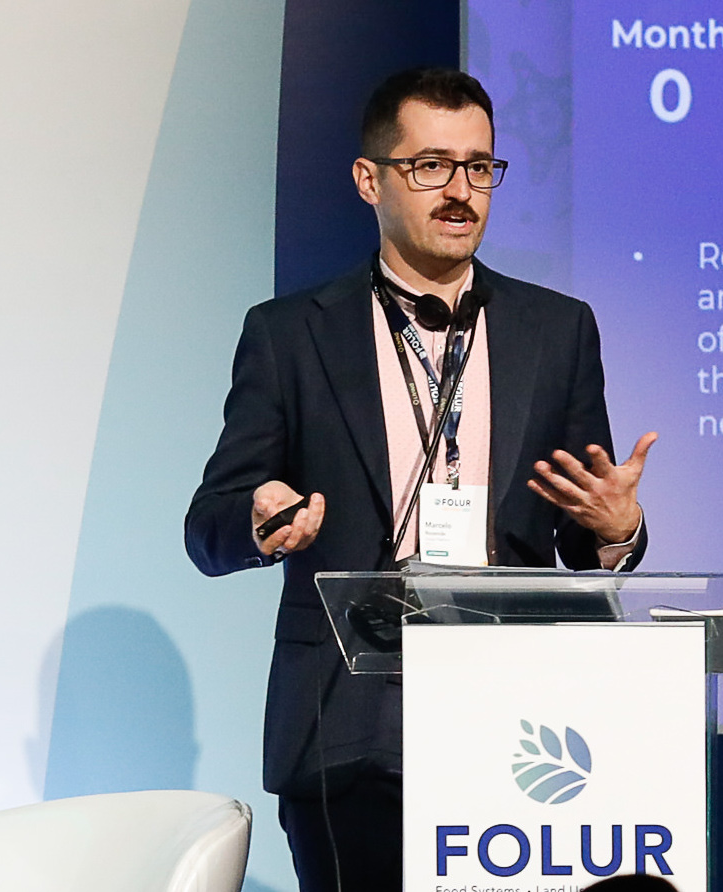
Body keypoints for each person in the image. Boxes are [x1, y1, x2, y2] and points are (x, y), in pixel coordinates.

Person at [184, 67, 656, 892]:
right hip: (345, 722)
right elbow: (208, 526)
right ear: (371, 179)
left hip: (521, 721)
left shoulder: (558, 330)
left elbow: (582, 538)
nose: (460, 191)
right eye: (431, 165)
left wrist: (615, 528)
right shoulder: (291, 334)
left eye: (480, 167)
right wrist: (260, 524)